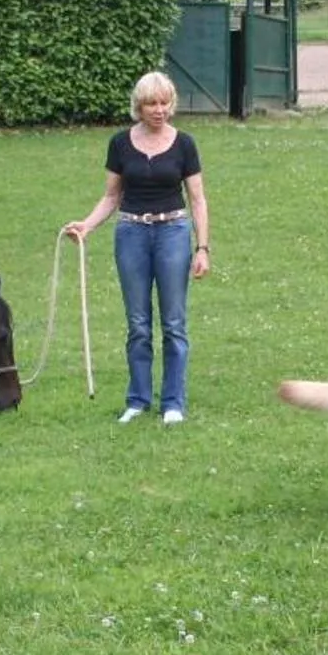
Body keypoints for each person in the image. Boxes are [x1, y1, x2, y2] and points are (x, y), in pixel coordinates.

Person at [64, 72, 211, 423]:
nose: (159, 110)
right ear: (139, 106)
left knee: (174, 322)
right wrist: (86, 225)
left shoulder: (184, 144)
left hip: (173, 232)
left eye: (164, 103)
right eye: (151, 104)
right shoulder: (120, 143)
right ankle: (138, 399)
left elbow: (198, 200)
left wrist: (202, 247)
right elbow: (112, 195)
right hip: (131, 232)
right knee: (138, 323)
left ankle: (173, 402)